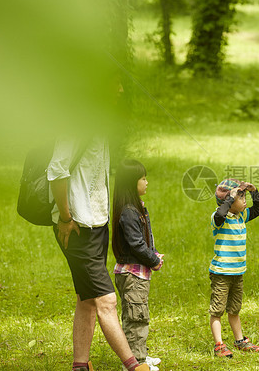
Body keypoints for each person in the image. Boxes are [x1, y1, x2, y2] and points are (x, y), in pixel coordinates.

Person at [48, 137, 149, 371]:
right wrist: (65, 217)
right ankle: (134, 366)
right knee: (106, 299)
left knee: (87, 299)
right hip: (77, 226)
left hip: (97, 223)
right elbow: (55, 170)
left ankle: (80, 365)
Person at [112, 159, 164, 371]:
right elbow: (136, 244)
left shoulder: (134, 208)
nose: (146, 182)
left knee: (134, 315)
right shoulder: (129, 212)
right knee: (137, 319)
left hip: (134, 274)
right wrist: (154, 260)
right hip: (134, 276)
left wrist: (153, 253)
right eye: (142, 178)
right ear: (131, 183)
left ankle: (138, 355)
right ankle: (136, 363)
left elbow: (141, 242)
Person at [209, 179, 259, 358]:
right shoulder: (219, 218)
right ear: (229, 201)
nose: (245, 200)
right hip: (221, 273)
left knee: (234, 309)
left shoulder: (242, 216)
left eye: (244, 196)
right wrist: (229, 199)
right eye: (241, 197)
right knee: (217, 310)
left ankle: (239, 340)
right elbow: (220, 214)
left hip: (238, 272)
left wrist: (254, 191)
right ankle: (219, 344)